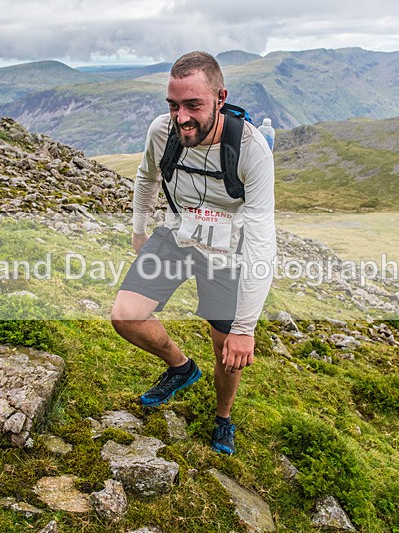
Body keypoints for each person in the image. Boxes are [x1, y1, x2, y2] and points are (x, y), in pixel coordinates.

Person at [111, 51, 276, 455]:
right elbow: (147, 175)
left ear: (221, 98)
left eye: (193, 105)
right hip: (177, 233)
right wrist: (139, 229)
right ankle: (181, 367)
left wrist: (245, 329)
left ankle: (223, 418)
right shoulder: (162, 131)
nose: (181, 117)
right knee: (125, 317)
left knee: (228, 350)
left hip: (229, 250)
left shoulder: (252, 151)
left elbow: (261, 242)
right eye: (173, 105)